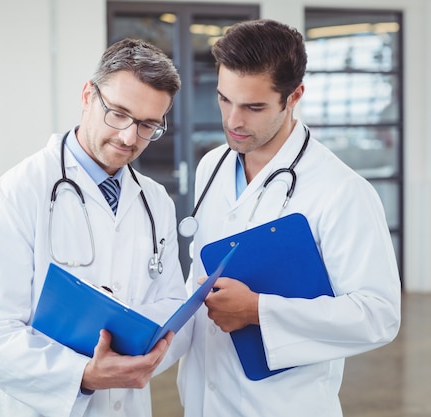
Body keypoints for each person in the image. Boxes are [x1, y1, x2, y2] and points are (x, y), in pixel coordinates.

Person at [166, 19, 401, 416]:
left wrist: (258, 309)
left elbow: (379, 315)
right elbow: (200, 278)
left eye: (254, 107)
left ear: (294, 97)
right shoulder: (213, 167)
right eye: (225, 99)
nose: (233, 121)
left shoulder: (341, 190)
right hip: (203, 398)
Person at [0, 38, 187, 417]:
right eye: (119, 113)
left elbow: (174, 303)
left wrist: (143, 358)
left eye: (147, 125)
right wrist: (83, 374)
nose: (129, 137)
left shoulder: (155, 201)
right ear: (87, 96)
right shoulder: (16, 195)